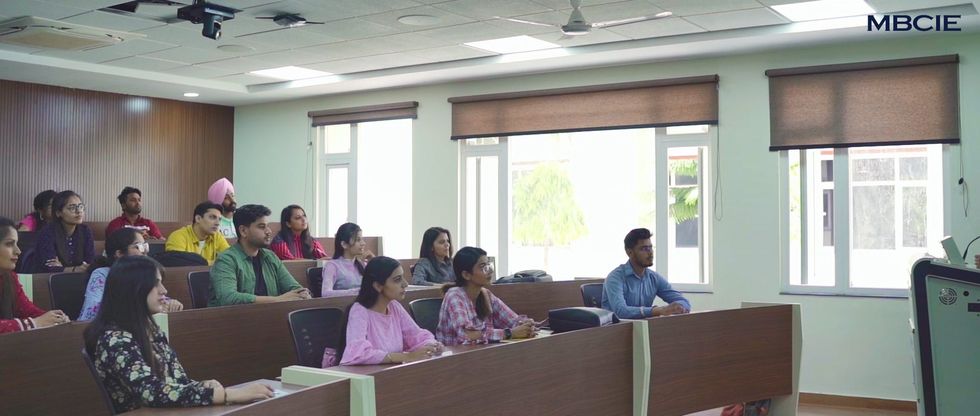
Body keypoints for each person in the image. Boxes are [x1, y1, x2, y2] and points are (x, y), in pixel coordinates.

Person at [83, 256, 274, 413]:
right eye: (155, 284)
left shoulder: (149, 328)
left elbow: (178, 381)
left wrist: (203, 387)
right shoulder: (114, 338)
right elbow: (151, 392)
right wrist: (227, 394)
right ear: (134, 289)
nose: (164, 291)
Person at [331, 256, 444, 367]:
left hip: (392, 374)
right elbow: (358, 353)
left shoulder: (394, 306)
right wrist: (407, 357)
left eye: (403, 278)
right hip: (370, 377)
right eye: (397, 280)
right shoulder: (359, 311)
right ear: (378, 286)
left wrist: (432, 345)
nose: (405, 284)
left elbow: (416, 335)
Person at [209, 204, 311, 307]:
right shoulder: (226, 260)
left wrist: (302, 294)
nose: (268, 231)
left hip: (269, 317)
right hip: (234, 320)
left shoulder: (270, 257)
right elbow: (228, 298)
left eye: (268, 226)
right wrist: (277, 300)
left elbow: (294, 288)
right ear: (243, 231)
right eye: (262, 227)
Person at [435, 246, 536, 345]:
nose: (490, 271)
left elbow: (512, 320)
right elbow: (468, 335)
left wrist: (525, 325)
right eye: (483, 267)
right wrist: (510, 333)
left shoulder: (486, 294)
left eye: (488, 265)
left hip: (479, 354)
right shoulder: (454, 296)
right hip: (455, 358)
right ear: (466, 275)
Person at [79, 228, 183, 321]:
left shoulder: (143, 274)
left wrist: (169, 303)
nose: (145, 251)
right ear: (119, 254)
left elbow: (153, 297)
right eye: (139, 247)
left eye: (145, 246)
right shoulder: (101, 274)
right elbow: (92, 311)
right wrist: (142, 308)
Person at [601, 228, 691, 319]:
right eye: (644, 249)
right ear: (629, 252)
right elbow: (621, 311)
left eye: (651, 247)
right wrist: (656, 310)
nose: (650, 253)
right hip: (615, 330)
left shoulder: (653, 277)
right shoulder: (615, 278)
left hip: (642, 329)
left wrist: (679, 308)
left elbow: (684, 302)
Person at [0, 217, 70, 334]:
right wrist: (35, 323)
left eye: (16, 244)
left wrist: (54, 318)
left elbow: (27, 310)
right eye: (9, 244)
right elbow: (35, 321)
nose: (18, 251)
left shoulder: (10, 277)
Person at [31, 190, 95, 273]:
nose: (79, 211)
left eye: (80, 206)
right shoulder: (47, 233)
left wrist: (63, 268)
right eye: (72, 208)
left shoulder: (85, 231)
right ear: (58, 213)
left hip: (80, 280)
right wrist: (75, 269)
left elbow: (90, 264)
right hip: (49, 281)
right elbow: (49, 267)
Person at [164, 202, 230, 265]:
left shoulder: (217, 236)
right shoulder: (178, 236)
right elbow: (177, 263)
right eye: (212, 217)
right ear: (198, 218)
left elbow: (230, 258)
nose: (217, 223)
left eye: (219, 219)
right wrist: (213, 263)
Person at [321, 222, 374, 297]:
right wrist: (358, 291)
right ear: (344, 244)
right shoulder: (332, 266)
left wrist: (374, 263)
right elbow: (325, 293)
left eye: (362, 239)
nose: (363, 243)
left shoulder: (363, 264)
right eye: (358, 240)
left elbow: (378, 287)